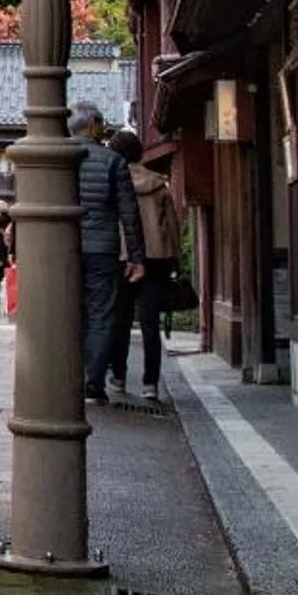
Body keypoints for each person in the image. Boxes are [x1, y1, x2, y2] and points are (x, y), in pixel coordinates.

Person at [71, 100, 143, 404]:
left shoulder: (60, 158)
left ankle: (66, 377)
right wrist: (137, 257)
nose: (105, 129)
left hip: (64, 248)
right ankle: (93, 381)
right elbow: (129, 212)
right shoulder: (114, 161)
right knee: (102, 314)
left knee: (68, 311)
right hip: (102, 247)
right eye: (101, 124)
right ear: (93, 126)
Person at [118, 135, 184, 402]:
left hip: (121, 257)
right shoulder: (158, 185)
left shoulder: (115, 181)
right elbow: (171, 226)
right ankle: (150, 383)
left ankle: (118, 376)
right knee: (149, 324)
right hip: (156, 259)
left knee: (118, 321)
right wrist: (176, 260)